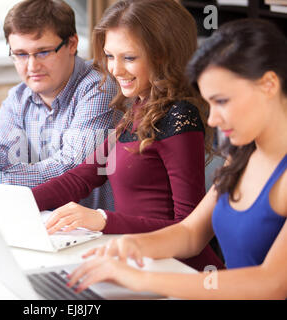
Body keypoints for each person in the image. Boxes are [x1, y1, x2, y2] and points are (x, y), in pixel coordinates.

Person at [66, 18, 287, 299]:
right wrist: (132, 246)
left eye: (222, 101)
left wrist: (141, 279)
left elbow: (272, 283)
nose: (214, 118)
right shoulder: (242, 156)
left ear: (268, 84)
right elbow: (191, 234)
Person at [31, 0, 224, 271]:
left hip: (175, 267)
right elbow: (81, 177)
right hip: (137, 257)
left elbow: (186, 227)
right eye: (110, 56)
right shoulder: (139, 107)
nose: (115, 69)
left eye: (129, 58)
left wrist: (102, 219)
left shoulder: (179, 117)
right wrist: (17, 204)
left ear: (163, 55)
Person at [0, 0, 119, 211]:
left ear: (72, 44)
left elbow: (70, 168)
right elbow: (6, 167)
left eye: (43, 52)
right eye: (21, 54)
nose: (32, 66)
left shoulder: (100, 88)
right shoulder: (17, 98)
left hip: (95, 232)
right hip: (40, 223)